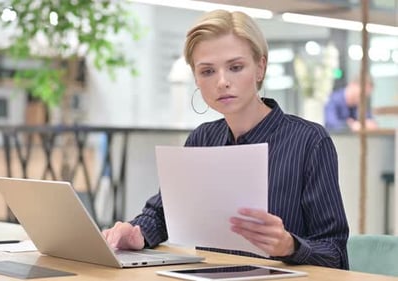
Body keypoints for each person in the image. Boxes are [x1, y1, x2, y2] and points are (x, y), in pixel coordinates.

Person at [102, 10, 349, 270]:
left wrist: (290, 246)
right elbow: (163, 215)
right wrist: (137, 232)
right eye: (207, 71)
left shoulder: (309, 142)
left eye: (235, 67)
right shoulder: (202, 139)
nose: (222, 82)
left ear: (260, 67)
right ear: (196, 79)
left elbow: (335, 252)